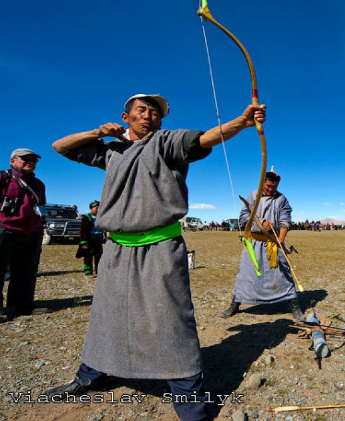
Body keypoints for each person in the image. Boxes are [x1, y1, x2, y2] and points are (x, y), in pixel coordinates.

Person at [45, 93, 266, 421]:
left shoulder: (167, 142)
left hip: (161, 247)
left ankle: (189, 400)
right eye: (141, 110)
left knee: (171, 320)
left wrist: (242, 123)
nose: (148, 116)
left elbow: (204, 138)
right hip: (117, 248)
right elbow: (60, 147)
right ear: (125, 116)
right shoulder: (113, 151)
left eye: (154, 112)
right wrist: (97, 133)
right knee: (109, 314)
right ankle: (90, 375)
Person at [220, 170, 304, 321]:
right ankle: (235, 303)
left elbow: (285, 220)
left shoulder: (281, 199)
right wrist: (260, 225)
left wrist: (281, 239)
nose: (271, 189)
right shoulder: (253, 195)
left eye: (274, 186)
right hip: (254, 244)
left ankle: (294, 305)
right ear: (262, 182)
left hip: (273, 243)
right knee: (246, 274)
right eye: (268, 186)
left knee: (283, 274)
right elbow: (244, 217)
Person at [0, 148, 48, 322]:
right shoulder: (3, 178)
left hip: (32, 233)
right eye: (25, 158)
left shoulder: (39, 184)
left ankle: (23, 306)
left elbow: (41, 206)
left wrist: (41, 227)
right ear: (13, 160)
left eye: (34, 160)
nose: (30, 162)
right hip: (5, 230)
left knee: (27, 272)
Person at [76, 200, 104, 276]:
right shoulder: (86, 218)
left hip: (98, 240)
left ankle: (99, 271)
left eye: (99, 208)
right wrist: (84, 242)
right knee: (88, 256)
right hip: (89, 240)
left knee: (99, 256)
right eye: (96, 208)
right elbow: (83, 231)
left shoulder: (101, 217)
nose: (98, 209)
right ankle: (88, 270)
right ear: (91, 208)